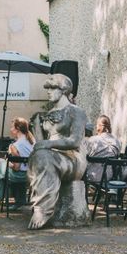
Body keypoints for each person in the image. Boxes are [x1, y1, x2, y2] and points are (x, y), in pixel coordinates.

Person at [27, 74, 89, 229]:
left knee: (44, 157)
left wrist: (48, 144)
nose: (48, 91)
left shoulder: (76, 111)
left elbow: (74, 141)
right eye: (47, 88)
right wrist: (36, 127)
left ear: (64, 90)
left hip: (73, 158)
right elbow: (41, 144)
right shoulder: (49, 113)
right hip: (52, 155)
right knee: (37, 156)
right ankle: (41, 203)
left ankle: (43, 209)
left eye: (52, 88)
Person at [0, 117, 34, 206]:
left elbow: (16, 167)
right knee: (1, 163)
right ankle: (19, 198)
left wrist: (8, 161)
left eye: (12, 127)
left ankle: (0, 195)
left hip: (20, 176)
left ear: (18, 129)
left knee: (0, 163)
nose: (11, 129)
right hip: (32, 174)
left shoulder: (14, 145)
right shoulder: (33, 142)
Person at [84, 115, 122, 184]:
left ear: (98, 127)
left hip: (92, 176)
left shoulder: (92, 140)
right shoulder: (117, 141)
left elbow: (84, 155)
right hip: (108, 176)